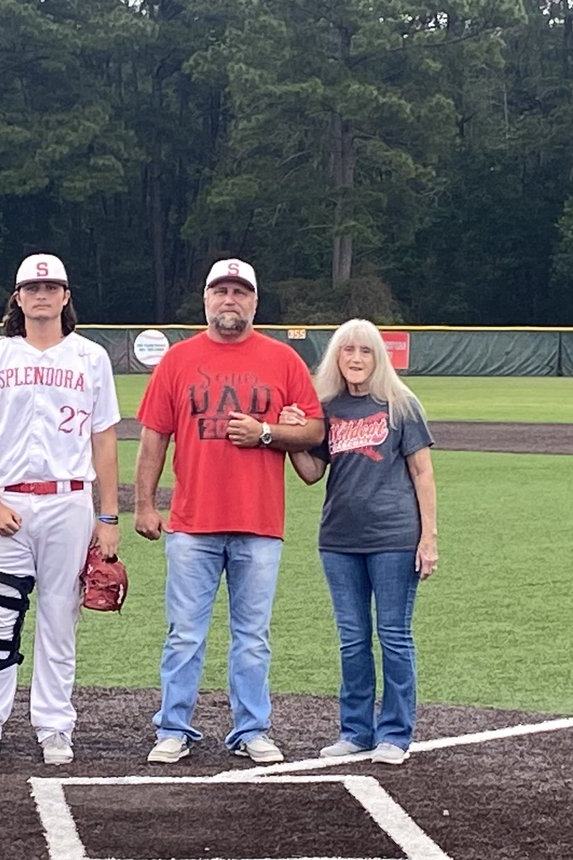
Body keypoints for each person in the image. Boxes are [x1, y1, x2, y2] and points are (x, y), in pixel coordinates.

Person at [134, 258, 325, 765]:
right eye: (221, 291)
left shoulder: (283, 360)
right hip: (193, 521)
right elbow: (154, 435)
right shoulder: (178, 360)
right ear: (206, 299)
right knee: (185, 634)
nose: (230, 300)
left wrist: (269, 433)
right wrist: (145, 503)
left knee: (252, 638)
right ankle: (173, 727)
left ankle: (251, 728)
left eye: (240, 292)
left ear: (255, 302)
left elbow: (314, 432)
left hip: (259, 522)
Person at [0, 253, 120, 766]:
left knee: (59, 618)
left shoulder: (91, 357)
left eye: (51, 287)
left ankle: (54, 724)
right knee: (1, 616)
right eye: (32, 287)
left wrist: (108, 517)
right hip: (10, 501)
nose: (42, 295)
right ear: (19, 297)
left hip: (69, 500)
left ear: (66, 296)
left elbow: (105, 440)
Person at [281, 318, 438, 766]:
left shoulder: (401, 405)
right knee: (352, 639)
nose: (355, 358)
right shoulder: (327, 408)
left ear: (378, 357)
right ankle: (355, 730)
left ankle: (394, 733)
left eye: (365, 351)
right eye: (347, 350)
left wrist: (428, 538)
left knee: (393, 636)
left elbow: (422, 474)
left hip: (393, 537)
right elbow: (312, 474)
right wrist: (292, 436)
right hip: (339, 539)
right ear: (336, 356)